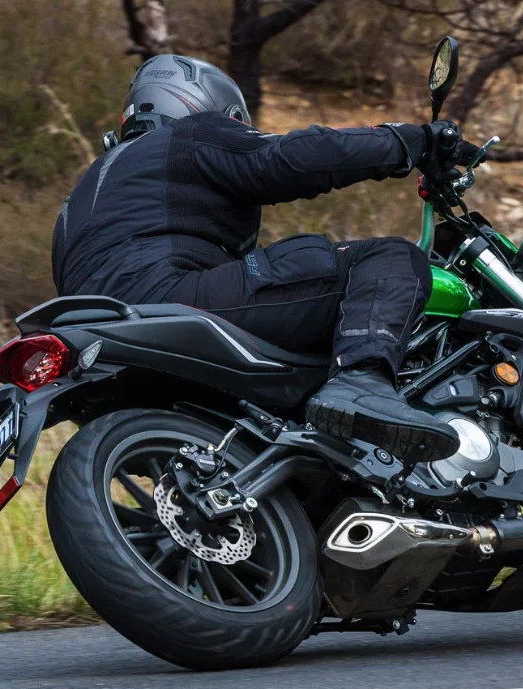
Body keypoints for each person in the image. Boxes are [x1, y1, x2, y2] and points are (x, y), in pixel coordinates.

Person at [52, 54, 479, 462]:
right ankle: (362, 381)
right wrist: (409, 140)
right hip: (170, 298)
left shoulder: (77, 205)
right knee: (389, 257)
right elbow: (291, 159)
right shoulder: (190, 136)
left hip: (101, 339)